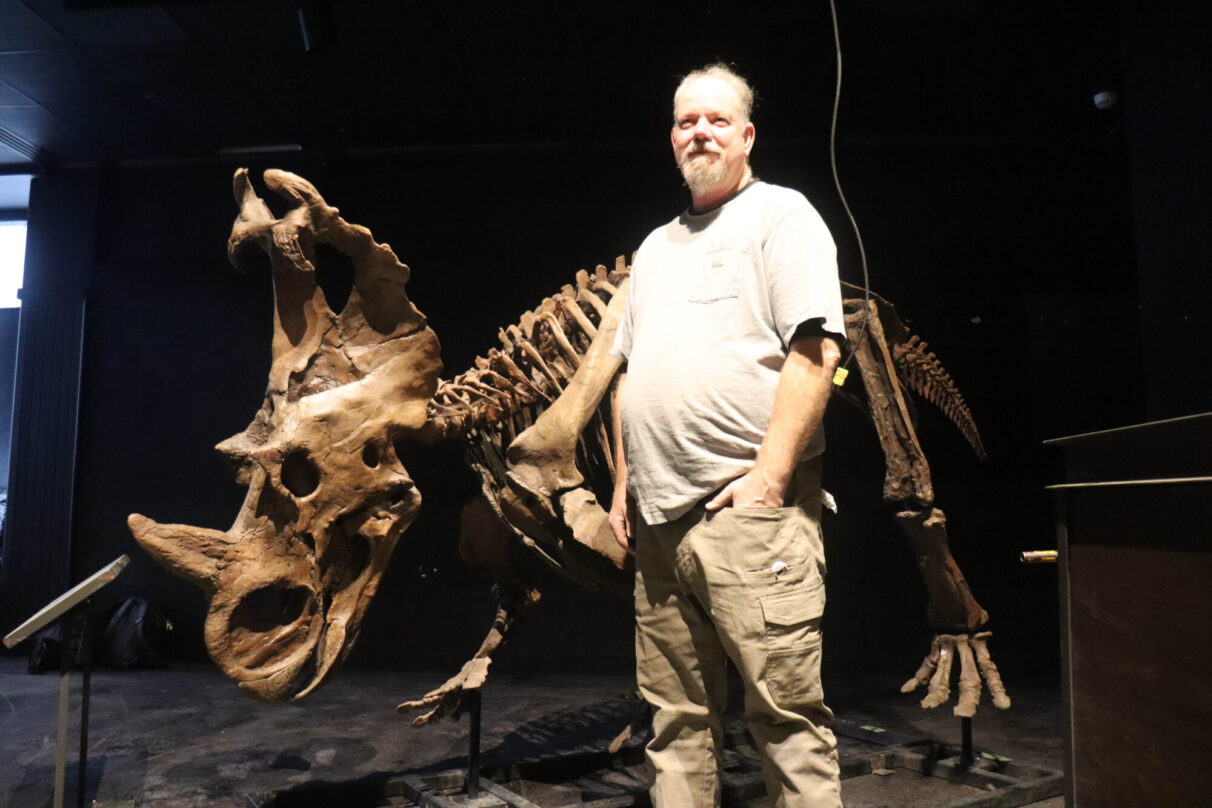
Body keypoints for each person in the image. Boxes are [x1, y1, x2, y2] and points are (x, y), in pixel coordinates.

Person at [608, 63, 846, 808]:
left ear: (746, 136)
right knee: (673, 726)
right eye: (685, 121)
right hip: (658, 525)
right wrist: (624, 485)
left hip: (747, 518)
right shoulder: (653, 248)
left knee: (785, 722)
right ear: (671, 137)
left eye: (715, 119)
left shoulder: (783, 217)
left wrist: (770, 482)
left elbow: (817, 352)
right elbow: (629, 373)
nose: (698, 131)